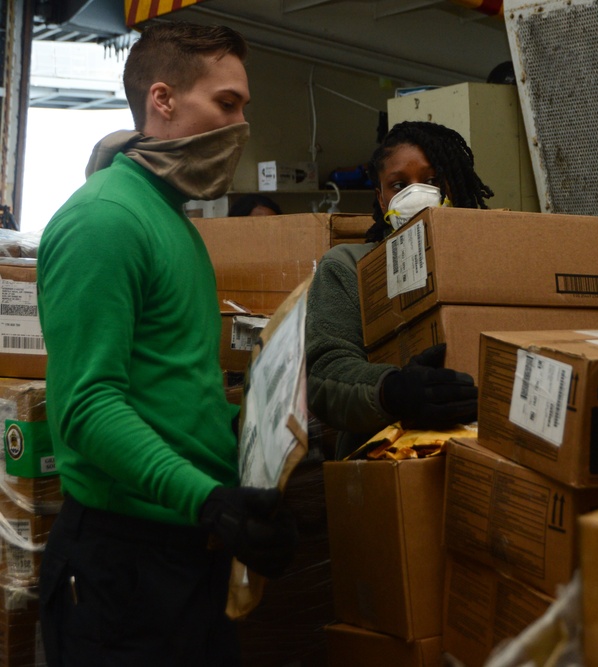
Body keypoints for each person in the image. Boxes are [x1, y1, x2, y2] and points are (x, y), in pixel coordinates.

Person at [37, 22, 297, 666]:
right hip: (123, 569)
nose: (239, 126)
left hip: (185, 555)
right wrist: (205, 498)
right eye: (226, 103)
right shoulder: (105, 220)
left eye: (243, 107)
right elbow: (87, 405)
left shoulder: (171, 219)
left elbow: (179, 386)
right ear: (163, 100)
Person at [306, 121, 492, 459]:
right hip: (386, 459)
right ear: (380, 197)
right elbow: (324, 375)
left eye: (432, 180)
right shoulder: (348, 266)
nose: (417, 194)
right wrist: (392, 391)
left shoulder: (490, 252)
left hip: (483, 449)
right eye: (398, 185)